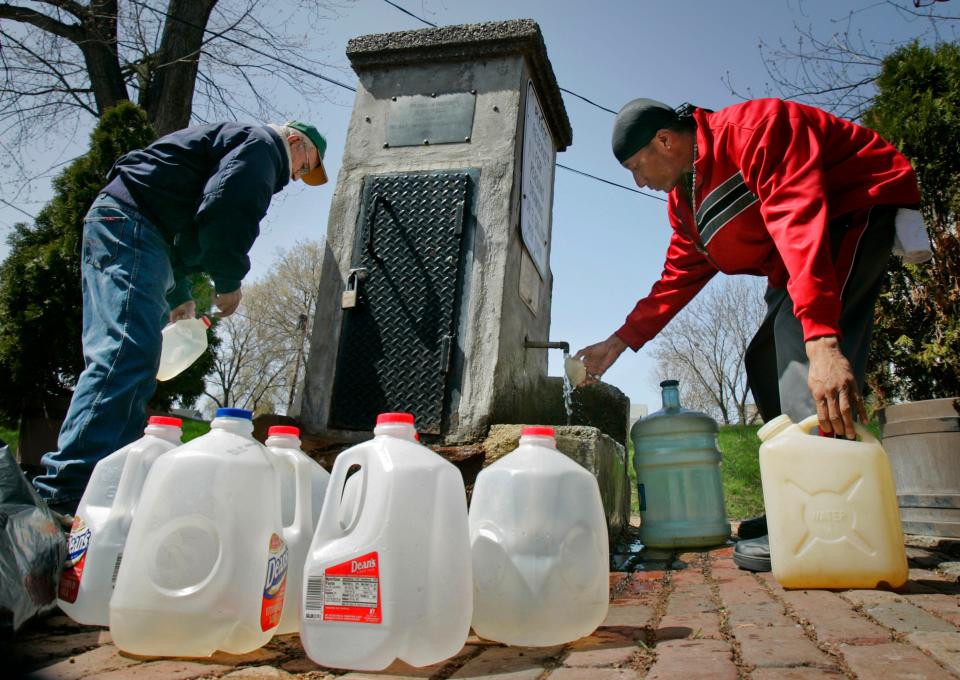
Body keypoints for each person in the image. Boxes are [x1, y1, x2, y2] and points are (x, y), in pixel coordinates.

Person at [574, 97, 921, 572]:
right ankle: (793, 499)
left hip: (847, 215)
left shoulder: (756, 130)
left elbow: (799, 221)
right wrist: (618, 341)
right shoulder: (686, 204)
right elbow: (678, 277)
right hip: (791, 262)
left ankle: (820, 524)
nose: (640, 181)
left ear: (665, 140)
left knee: (801, 359)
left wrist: (821, 343)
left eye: (638, 166)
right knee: (764, 359)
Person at [32, 120, 330, 516]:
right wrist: (228, 279)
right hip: (132, 224)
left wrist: (181, 293)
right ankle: (66, 489)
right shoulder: (262, 146)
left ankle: (104, 486)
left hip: (138, 229)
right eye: (306, 165)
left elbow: (184, 215)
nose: (297, 177)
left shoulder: (240, 146)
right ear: (294, 141)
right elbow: (228, 207)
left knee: (136, 361)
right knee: (125, 354)